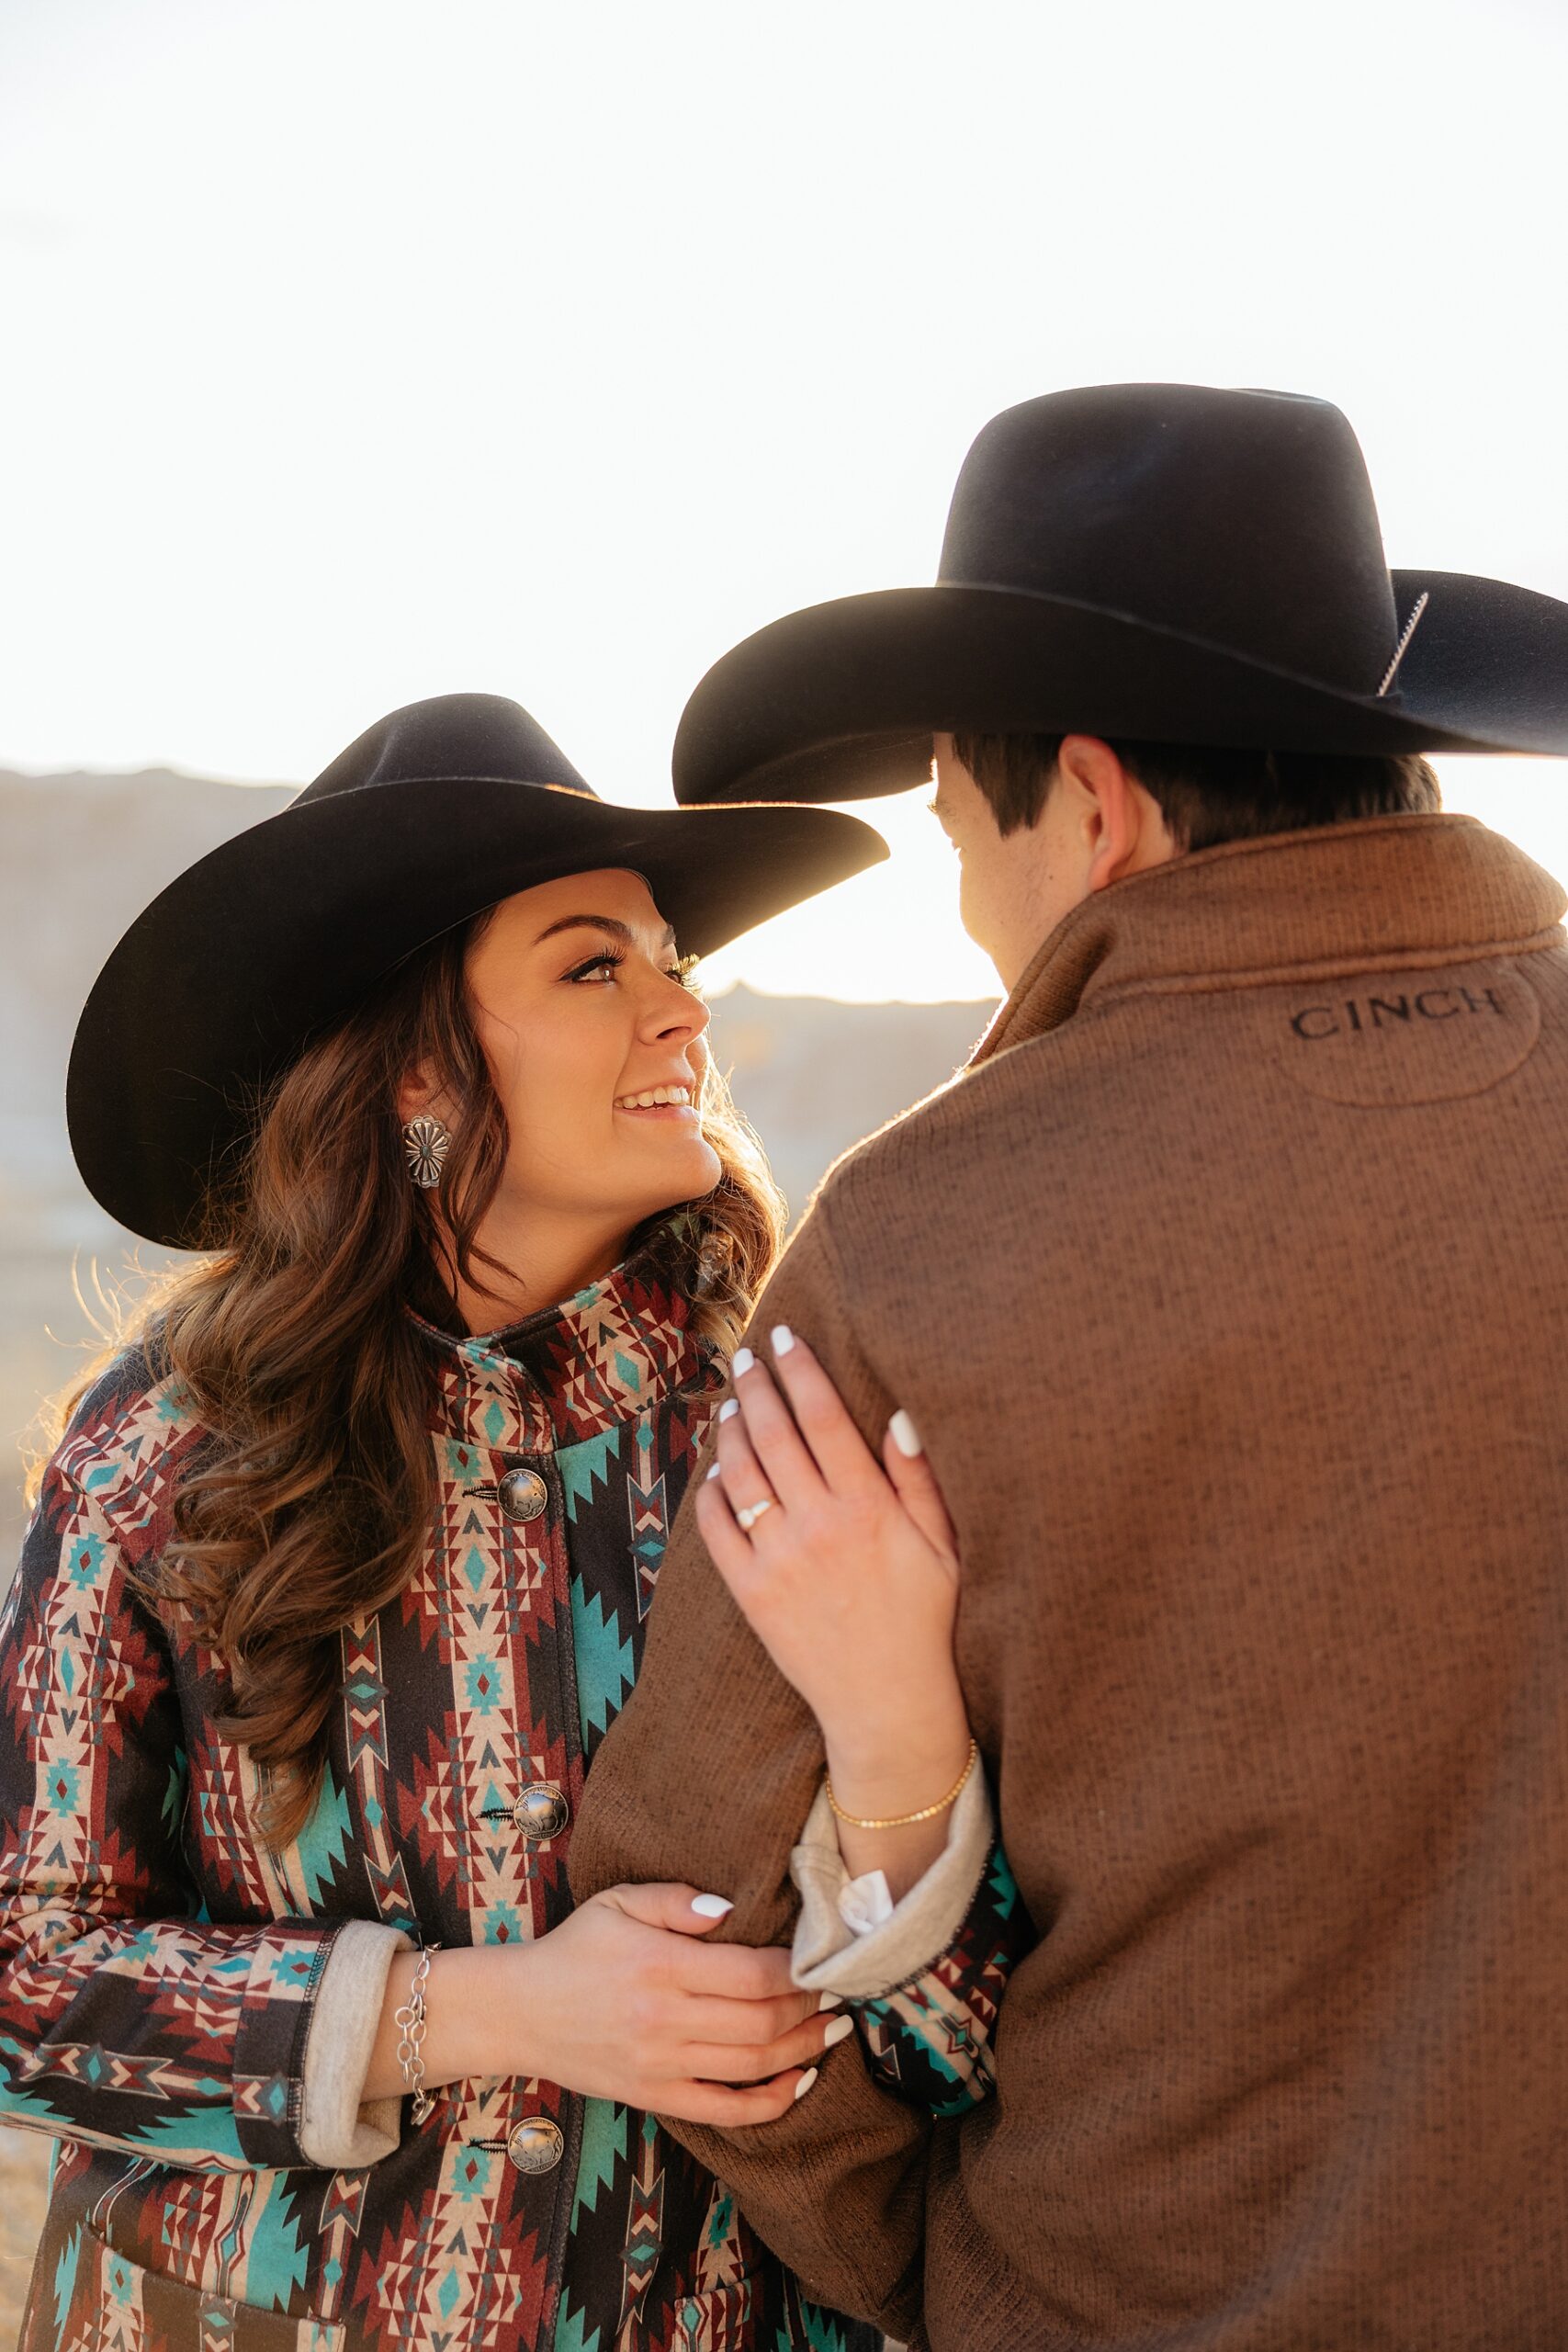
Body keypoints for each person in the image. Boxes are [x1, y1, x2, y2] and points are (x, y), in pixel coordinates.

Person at [570, 383, 1568, 2348]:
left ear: (1091, 806)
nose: (965, 905)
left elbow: (697, 1943)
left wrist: (929, 2269)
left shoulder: (918, 1237)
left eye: (957, 829)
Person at [0, 691, 1024, 2352]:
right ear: (413, 1062)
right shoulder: (166, 1455)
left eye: (673, 957)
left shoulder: (795, 1442)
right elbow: (25, 1979)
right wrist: (484, 2012)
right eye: (593, 966)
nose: (685, 1012)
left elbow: (968, 2055)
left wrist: (904, 1762)